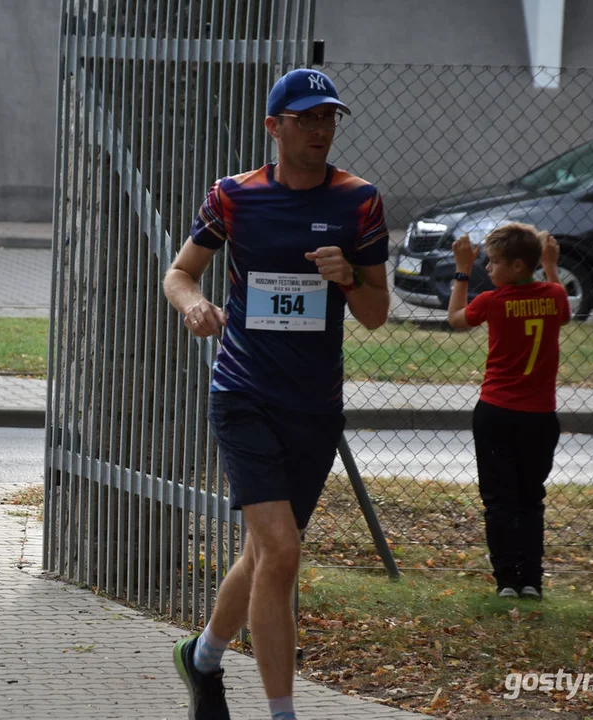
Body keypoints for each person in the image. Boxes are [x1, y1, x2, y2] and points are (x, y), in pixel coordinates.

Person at [163, 68, 390, 720]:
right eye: (306, 119)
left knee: (263, 554)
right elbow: (179, 272)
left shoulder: (359, 201)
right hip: (243, 393)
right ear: (274, 126)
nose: (320, 130)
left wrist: (347, 276)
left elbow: (376, 312)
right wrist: (193, 305)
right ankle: (283, 714)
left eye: (328, 119)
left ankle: (201, 659)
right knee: (283, 552)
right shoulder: (233, 197)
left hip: (313, 405)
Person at [447, 223, 570, 600]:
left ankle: (507, 581)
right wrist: (550, 265)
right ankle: (532, 578)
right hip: (540, 417)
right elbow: (561, 309)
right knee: (531, 498)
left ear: (517, 266)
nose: (488, 268)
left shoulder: (492, 301)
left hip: (497, 412)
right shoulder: (555, 295)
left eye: (495, 262)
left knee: (499, 500)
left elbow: (455, 319)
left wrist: (462, 270)